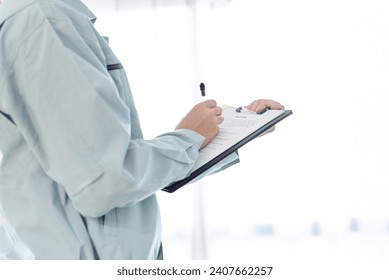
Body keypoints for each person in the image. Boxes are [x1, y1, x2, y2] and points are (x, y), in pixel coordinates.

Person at [0, 0, 284, 259]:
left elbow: (101, 171)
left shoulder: (41, 16)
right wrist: (188, 137)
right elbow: (106, 182)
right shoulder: (43, 18)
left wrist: (227, 135)